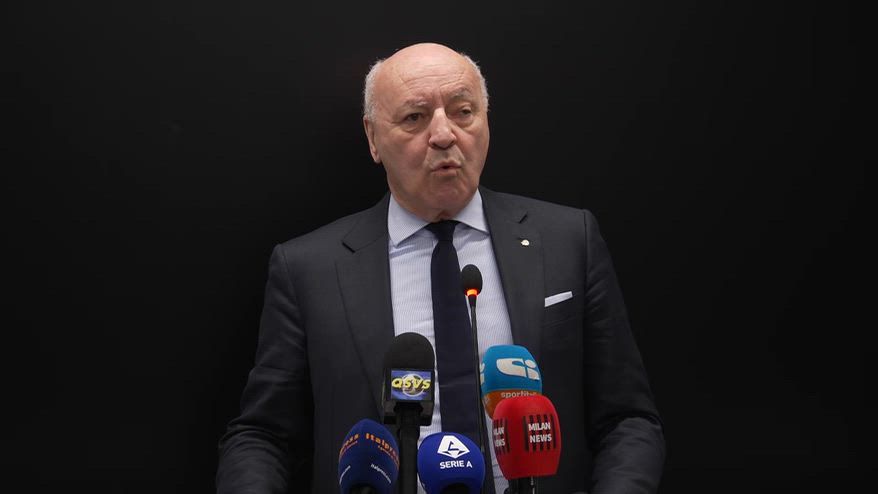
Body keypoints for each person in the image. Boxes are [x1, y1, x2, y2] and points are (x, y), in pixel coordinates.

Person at [216, 42, 665, 494]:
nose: (444, 135)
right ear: (373, 138)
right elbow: (264, 436)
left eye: (463, 112)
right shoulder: (309, 269)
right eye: (414, 117)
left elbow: (627, 418)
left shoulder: (568, 240)